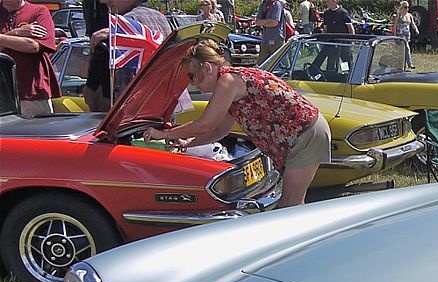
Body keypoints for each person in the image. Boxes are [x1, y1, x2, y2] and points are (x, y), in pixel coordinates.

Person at [145, 41, 330, 207]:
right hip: (303, 134)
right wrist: (188, 144)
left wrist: (165, 134)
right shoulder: (233, 81)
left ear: (208, 67)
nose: (192, 84)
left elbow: (205, 125)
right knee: (295, 204)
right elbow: (220, 130)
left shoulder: (228, 81)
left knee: (288, 208)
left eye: (192, 76)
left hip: (305, 135)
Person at [86, 0, 168, 111]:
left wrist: (118, 32)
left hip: (134, 113)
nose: (104, 1)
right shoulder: (161, 18)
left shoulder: (126, 22)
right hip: (163, 107)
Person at [0, 0, 56, 115]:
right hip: (2, 93)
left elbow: (33, 46)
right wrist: (17, 32)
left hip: (33, 92)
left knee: (36, 132)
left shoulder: (39, 12)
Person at [395, 1, 417, 67]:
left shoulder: (409, 15)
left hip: (407, 34)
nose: (407, 8)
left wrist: (416, 30)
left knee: (402, 49)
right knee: (407, 47)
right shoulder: (399, 14)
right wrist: (394, 34)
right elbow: (395, 24)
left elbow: (413, 24)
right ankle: (409, 64)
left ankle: (400, 64)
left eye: (408, 7)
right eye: (405, 7)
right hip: (400, 34)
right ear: (402, 7)